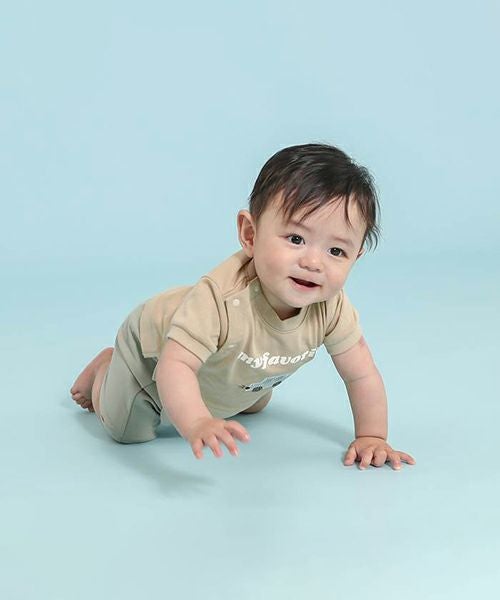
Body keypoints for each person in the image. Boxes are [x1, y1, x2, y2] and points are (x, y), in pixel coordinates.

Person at [70, 143, 416, 471]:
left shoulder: (331, 307)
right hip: (155, 351)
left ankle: (223, 389)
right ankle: (106, 371)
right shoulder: (219, 299)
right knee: (129, 429)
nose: (313, 263)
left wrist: (372, 436)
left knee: (252, 404)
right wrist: (197, 422)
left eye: (336, 251)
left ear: (355, 257)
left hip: (233, 362)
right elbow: (176, 366)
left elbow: (361, 374)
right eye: (296, 239)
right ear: (250, 235)